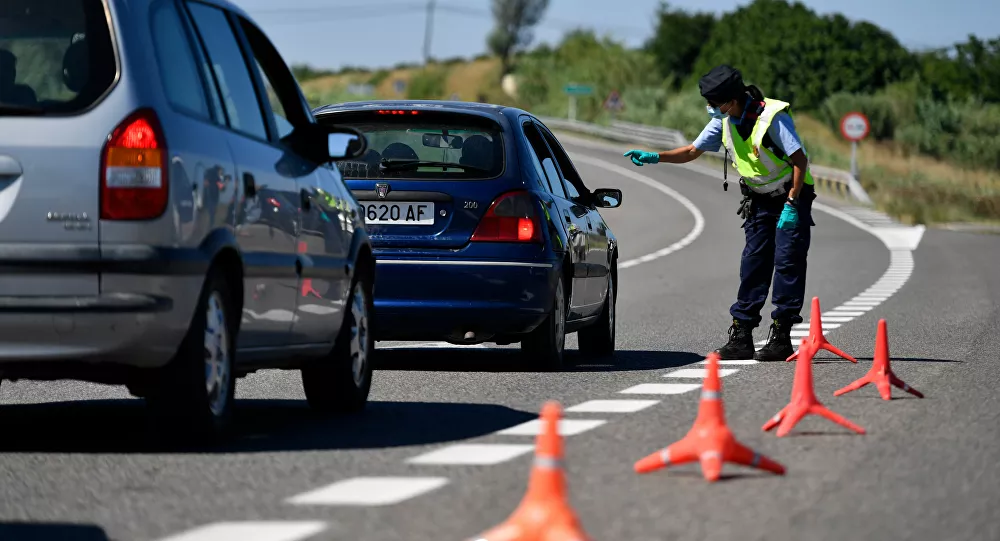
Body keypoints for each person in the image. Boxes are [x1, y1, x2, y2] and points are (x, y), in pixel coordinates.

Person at [623, 64, 817, 362]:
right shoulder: (724, 122)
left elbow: (800, 161)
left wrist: (792, 203)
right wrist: (654, 157)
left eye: (713, 104)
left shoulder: (771, 119)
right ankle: (742, 336)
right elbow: (691, 151)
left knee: (787, 262)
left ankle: (781, 335)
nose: (710, 109)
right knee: (753, 264)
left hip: (792, 196)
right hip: (759, 200)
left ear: (731, 100)